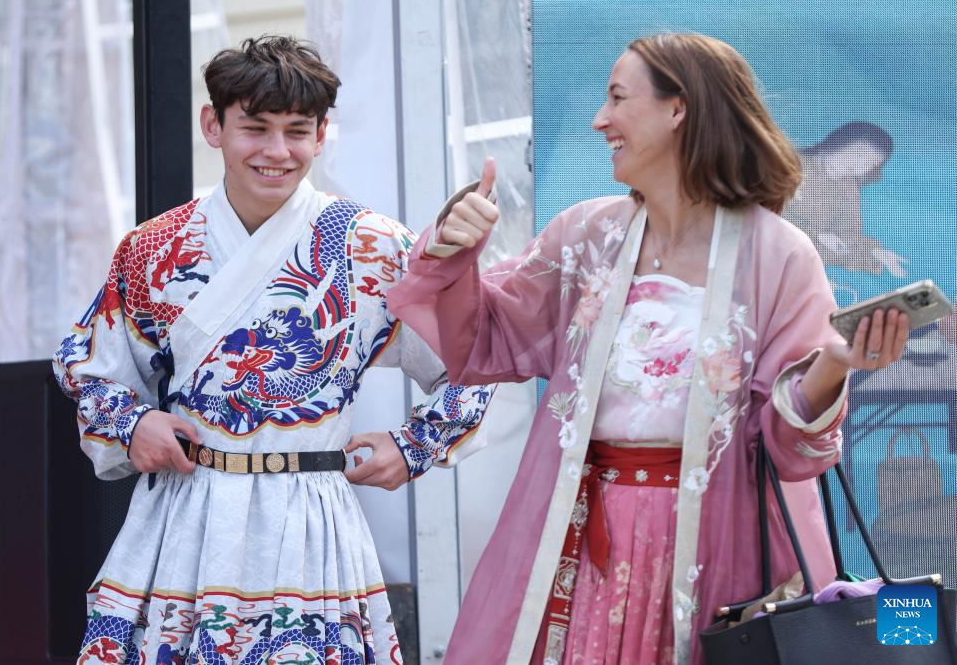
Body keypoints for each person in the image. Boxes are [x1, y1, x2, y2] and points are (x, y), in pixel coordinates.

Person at [387, 33, 910, 665]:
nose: (599, 120)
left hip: (716, 542)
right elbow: (485, 338)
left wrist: (836, 365)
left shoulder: (778, 254)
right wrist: (454, 249)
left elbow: (789, 446)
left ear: (678, 108)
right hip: (584, 541)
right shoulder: (586, 235)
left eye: (617, 98)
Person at [54, 36, 494, 663]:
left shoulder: (372, 247)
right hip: (185, 517)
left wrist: (414, 446)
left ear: (322, 134)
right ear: (214, 126)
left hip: (311, 519)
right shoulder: (152, 249)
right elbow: (85, 367)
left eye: (297, 131)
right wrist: (133, 424)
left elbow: (474, 359)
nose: (277, 151)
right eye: (255, 128)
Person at [783, 121, 908, 278]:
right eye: (859, 154)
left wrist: (874, 253)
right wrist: (817, 235)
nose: (859, 165)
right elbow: (767, 216)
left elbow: (845, 239)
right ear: (839, 142)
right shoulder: (789, 164)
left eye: (871, 163)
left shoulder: (848, 186)